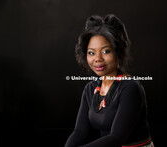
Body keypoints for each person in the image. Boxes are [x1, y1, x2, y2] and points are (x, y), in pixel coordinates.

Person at [65, 14, 154, 147]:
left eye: (106, 51)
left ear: (118, 52)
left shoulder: (130, 87)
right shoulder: (90, 88)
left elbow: (117, 138)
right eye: (91, 52)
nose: (97, 58)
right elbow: (79, 132)